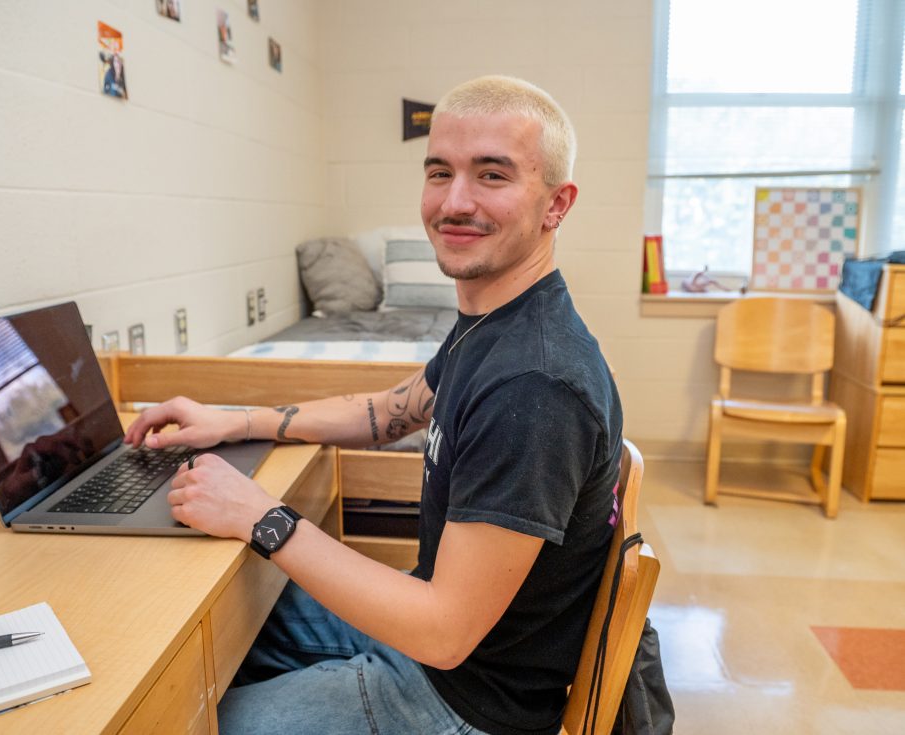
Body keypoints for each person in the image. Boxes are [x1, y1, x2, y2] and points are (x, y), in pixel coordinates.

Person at [124, 75, 623, 735]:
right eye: (440, 172)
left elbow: (444, 632)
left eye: (493, 175)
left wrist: (261, 516)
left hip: (463, 698)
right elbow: (387, 412)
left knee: (184, 721)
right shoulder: (493, 320)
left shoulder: (535, 384)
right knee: (225, 629)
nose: (455, 202)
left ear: (556, 204)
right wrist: (238, 420)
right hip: (432, 644)